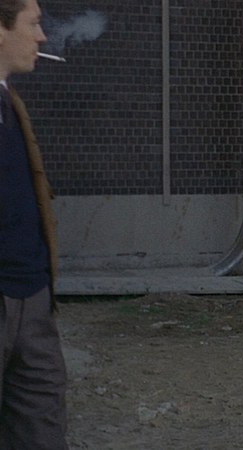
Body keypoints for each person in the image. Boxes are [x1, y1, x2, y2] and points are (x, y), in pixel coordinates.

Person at [0, 0, 69, 448]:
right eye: (34, 23)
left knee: (41, 424)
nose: (42, 37)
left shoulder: (11, 103)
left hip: (32, 293)